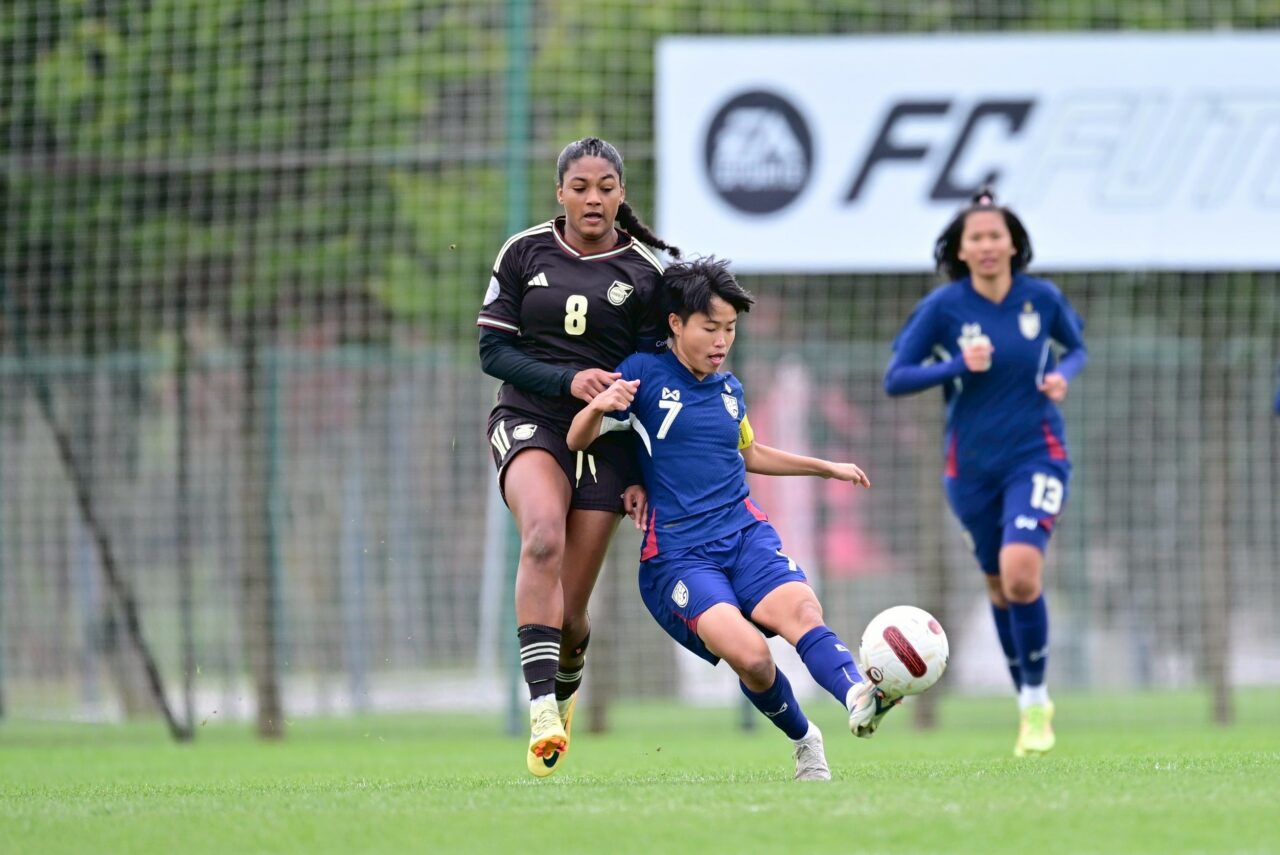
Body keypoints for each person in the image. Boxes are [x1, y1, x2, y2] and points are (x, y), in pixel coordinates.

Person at [567, 257, 896, 781]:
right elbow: (577, 439)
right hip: (678, 555)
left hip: (744, 536)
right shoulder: (642, 373)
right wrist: (598, 406)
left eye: (730, 329)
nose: (722, 341)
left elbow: (750, 453)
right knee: (754, 658)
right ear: (676, 324)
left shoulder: (729, 389)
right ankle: (805, 739)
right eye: (710, 328)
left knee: (802, 612)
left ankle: (858, 694)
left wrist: (825, 467)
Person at [476, 136, 680, 777]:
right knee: (541, 538)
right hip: (530, 419)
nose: (594, 199)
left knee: (568, 615)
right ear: (559, 192)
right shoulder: (523, 252)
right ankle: (540, 711)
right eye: (581, 187)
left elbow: (655, 381)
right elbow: (492, 353)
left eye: (606, 188)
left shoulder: (644, 275)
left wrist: (642, 471)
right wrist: (569, 382)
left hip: (607, 441)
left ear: (622, 195)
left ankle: (562, 696)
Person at [883, 188, 1087, 757]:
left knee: (1021, 575)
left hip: (1037, 454)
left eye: (997, 235)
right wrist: (956, 364)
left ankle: (1036, 702)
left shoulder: (1041, 299)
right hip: (970, 469)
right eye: (977, 237)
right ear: (962, 249)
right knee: (998, 586)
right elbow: (896, 377)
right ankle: (1026, 700)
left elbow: (1075, 348)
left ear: (1013, 244)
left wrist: (1063, 375)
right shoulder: (944, 308)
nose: (988, 245)